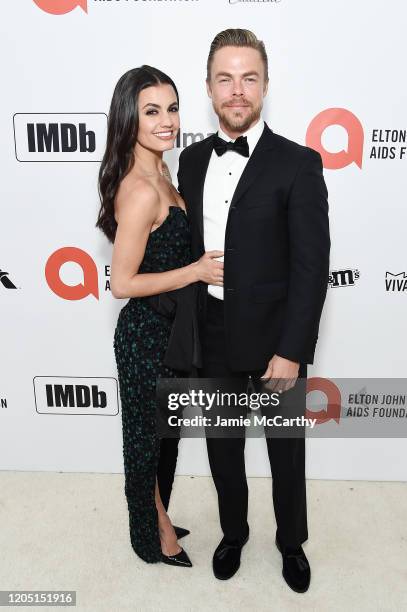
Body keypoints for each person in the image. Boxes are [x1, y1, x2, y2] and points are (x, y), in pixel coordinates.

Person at [177, 29, 330, 591]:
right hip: (212, 332)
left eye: (248, 78)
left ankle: (291, 543)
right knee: (222, 447)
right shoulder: (190, 162)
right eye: (225, 78)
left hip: (275, 340)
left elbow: (312, 269)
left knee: (286, 452)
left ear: (265, 84)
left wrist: (291, 351)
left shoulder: (298, 163)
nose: (237, 90)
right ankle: (233, 533)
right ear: (210, 87)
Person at [96, 65, 223, 567]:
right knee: (145, 442)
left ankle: (157, 512)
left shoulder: (163, 171)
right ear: (130, 119)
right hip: (145, 333)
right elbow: (122, 283)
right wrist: (194, 271)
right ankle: (153, 534)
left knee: (165, 438)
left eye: (172, 108)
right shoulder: (141, 188)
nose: (167, 121)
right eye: (152, 111)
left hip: (174, 331)